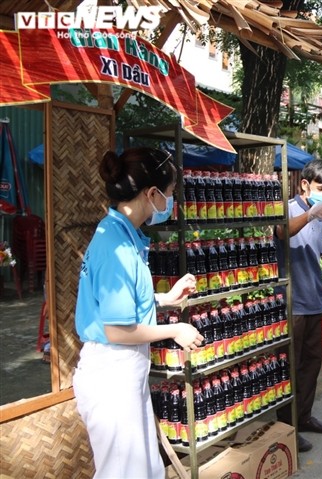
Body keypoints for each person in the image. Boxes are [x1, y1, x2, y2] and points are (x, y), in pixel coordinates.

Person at [73, 148, 204, 478]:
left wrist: (165, 300)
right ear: (152, 194)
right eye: (170, 194)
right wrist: (174, 331)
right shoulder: (114, 245)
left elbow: (122, 305)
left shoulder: (122, 235)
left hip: (122, 371)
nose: (170, 203)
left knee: (143, 469)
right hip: (112, 375)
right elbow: (117, 329)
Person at [275, 159, 322, 453]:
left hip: (314, 301)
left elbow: (318, 257)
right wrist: (311, 214)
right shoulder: (289, 209)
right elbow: (280, 232)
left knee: (312, 366)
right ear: (304, 184)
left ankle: (304, 417)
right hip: (293, 303)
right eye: (320, 188)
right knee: (289, 367)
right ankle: (286, 428)